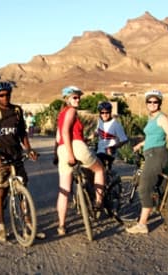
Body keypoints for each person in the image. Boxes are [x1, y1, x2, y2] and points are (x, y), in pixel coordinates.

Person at [0, 81, 38, 242]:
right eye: (1, 95)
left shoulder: (17, 111)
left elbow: (22, 135)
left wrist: (29, 150)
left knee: (22, 191)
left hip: (16, 157)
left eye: (7, 95)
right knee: (1, 192)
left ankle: (28, 225)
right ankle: (1, 226)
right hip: (0, 159)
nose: (5, 98)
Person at [126, 89, 168, 234]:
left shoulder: (162, 118)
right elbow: (153, 136)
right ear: (146, 103)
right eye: (150, 101)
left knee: (143, 188)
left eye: (155, 101)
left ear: (159, 103)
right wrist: (140, 145)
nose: (152, 104)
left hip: (156, 154)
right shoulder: (151, 119)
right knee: (163, 188)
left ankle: (142, 224)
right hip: (151, 153)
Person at [55, 85, 105, 236]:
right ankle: (98, 202)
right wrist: (71, 155)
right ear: (67, 99)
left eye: (78, 97)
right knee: (99, 169)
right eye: (74, 97)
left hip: (62, 149)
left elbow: (58, 137)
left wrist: (57, 155)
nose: (78, 100)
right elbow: (65, 132)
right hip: (75, 146)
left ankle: (61, 226)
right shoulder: (71, 111)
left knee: (64, 190)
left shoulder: (61, 114)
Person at [94, 101, 128, 171]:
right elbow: (97, 132)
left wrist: (113, 147)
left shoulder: (116, 125)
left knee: (99, 170)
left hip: (109, 154)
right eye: (102, 113)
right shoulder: (100, 121)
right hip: (99, 151)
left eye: (107, 112)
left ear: (110, 112)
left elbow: (124, 139)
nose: (105, 115)